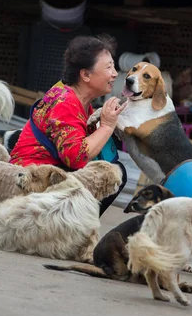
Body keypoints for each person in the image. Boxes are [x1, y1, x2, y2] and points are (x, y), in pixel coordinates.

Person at [9, 34, 127, 216]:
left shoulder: (75, 98)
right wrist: (107, 126)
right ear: (86, 75)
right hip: (31, 180)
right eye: (108, 67)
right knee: (112, 174)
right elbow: (76, 158)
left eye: (113, 66)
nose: (114, 73)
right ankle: (72, 228)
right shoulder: (66, 103)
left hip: (43, 173)